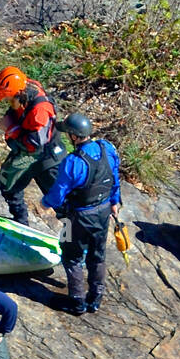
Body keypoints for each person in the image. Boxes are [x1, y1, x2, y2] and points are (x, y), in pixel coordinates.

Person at [42, 112, 122, 315]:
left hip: (76, 218)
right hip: (103, 212)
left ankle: (77, 302)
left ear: (75, 137)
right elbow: (114, 178)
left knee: (70, 255)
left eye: (69, 134)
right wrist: (114, 202)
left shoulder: (72, 162)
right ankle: (95, 298)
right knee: (97, 255)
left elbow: (58, 194)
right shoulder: (107, 148)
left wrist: (45, 203)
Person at [0, 66, 66, 227]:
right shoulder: (25, 90)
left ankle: (75, 241)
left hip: (46, 158)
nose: (9, 103)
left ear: (19, 94)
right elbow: (18, 113)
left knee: (60, 202)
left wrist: (12, 130)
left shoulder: (40, 110)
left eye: (10, 99)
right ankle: (21, 221)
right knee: (6, 181)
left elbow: (36, 144)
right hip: (27, 153)